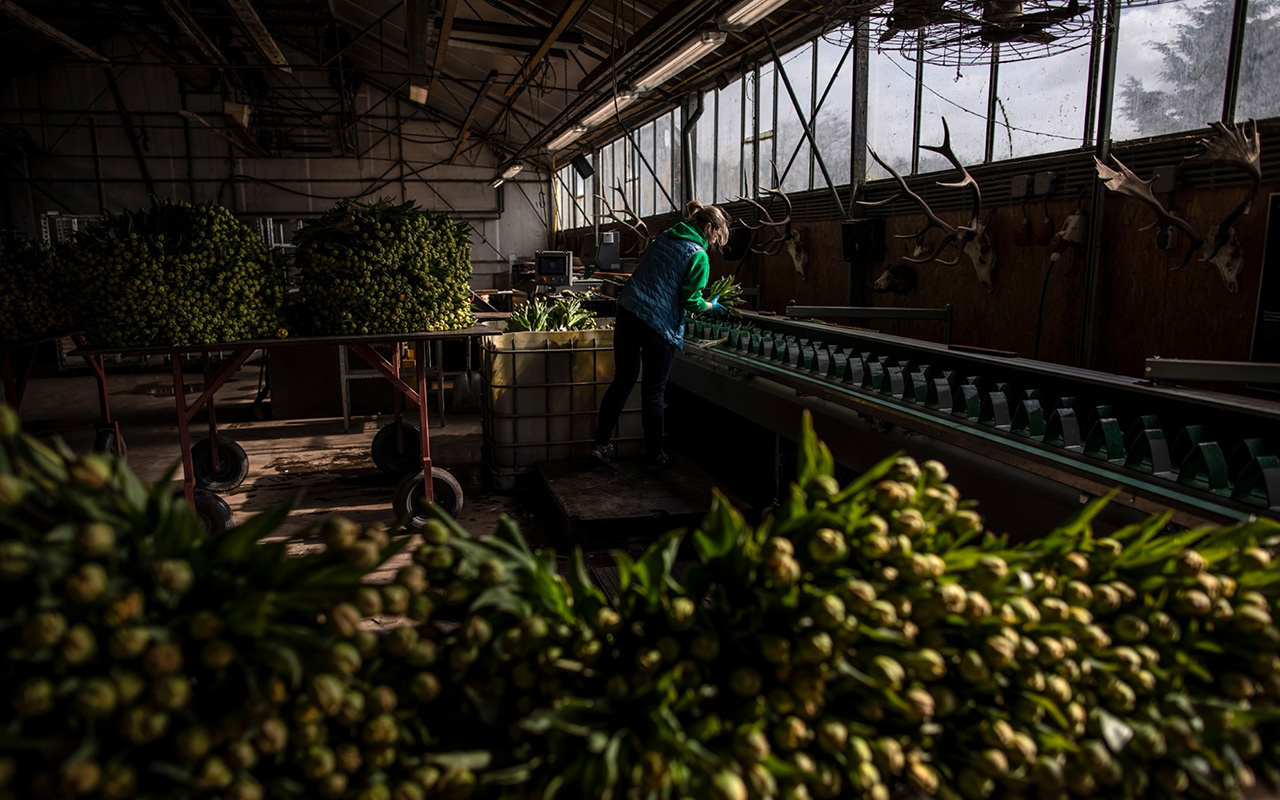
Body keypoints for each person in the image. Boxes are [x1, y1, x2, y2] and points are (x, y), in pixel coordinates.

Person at [590, 200, 732, 470]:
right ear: (708, 227)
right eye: (715, 236)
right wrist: (711, 306)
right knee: (653, 392)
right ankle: (655, 456)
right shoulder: (698, 255)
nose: (713, 242)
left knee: (622, 380)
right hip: (657, 324)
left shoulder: (666, 236)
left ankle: (599, 444)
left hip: (629, 312)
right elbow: (691, 301)